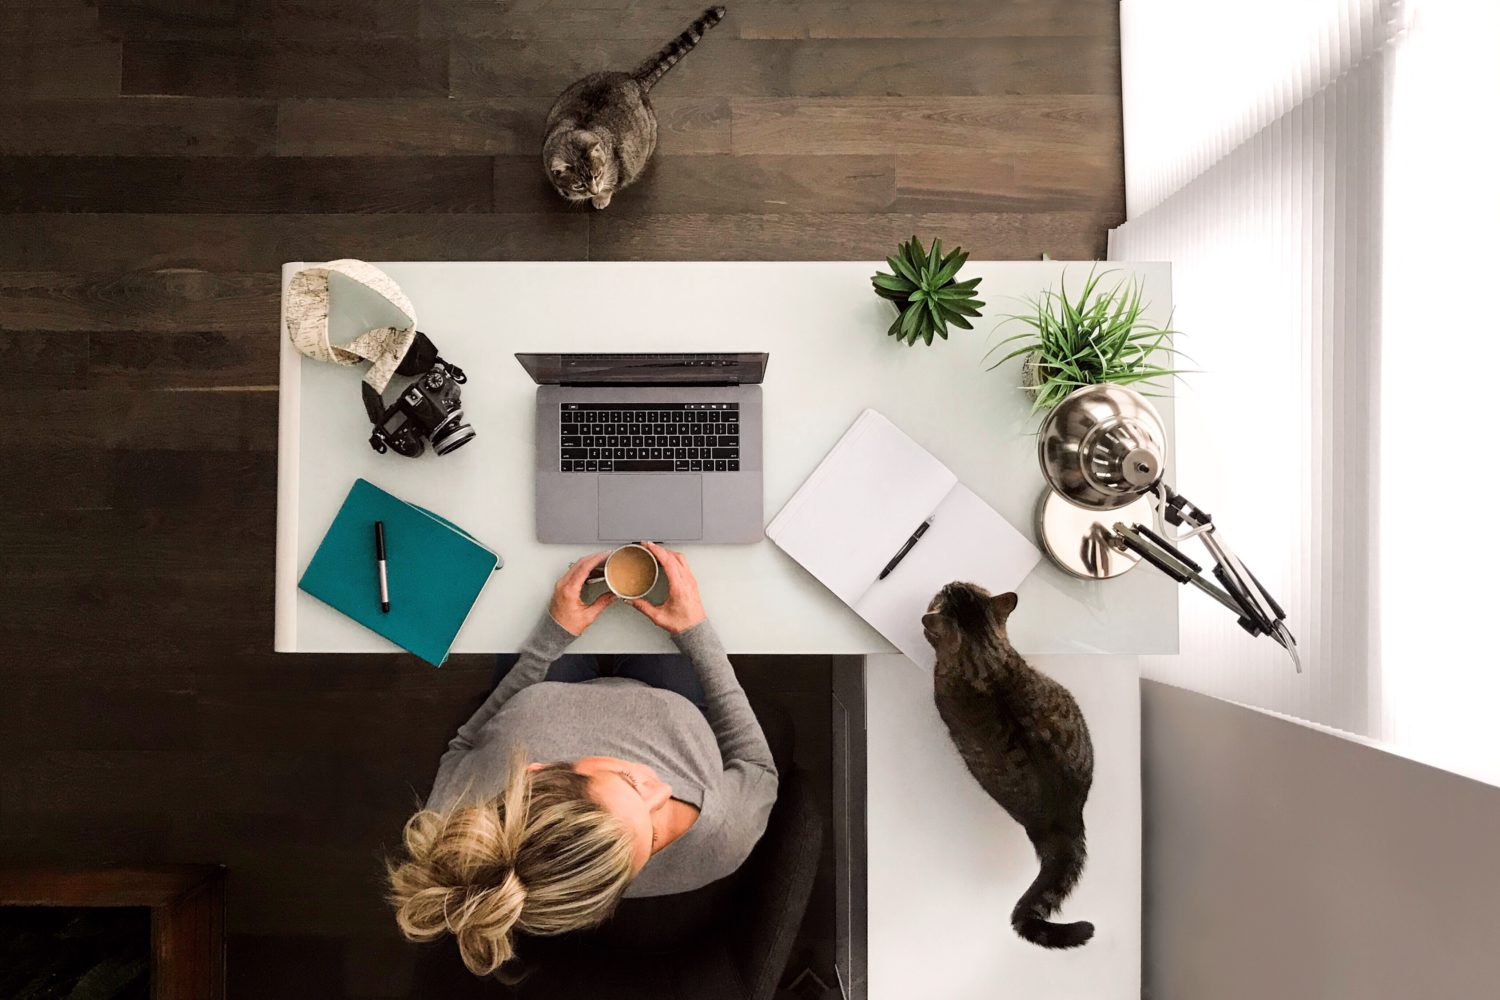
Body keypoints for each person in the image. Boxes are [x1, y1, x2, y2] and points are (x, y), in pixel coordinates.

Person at [386, 542, 778, 976]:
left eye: (631, 784)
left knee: (529, 578)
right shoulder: (721, 840)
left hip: (541, 690)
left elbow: (464, 742)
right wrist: (695, 632)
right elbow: (758, 768)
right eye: (652, 839)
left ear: (537, 771)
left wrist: (549, 639)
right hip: (671, 704)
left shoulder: (462, 814)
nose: (664, 790)